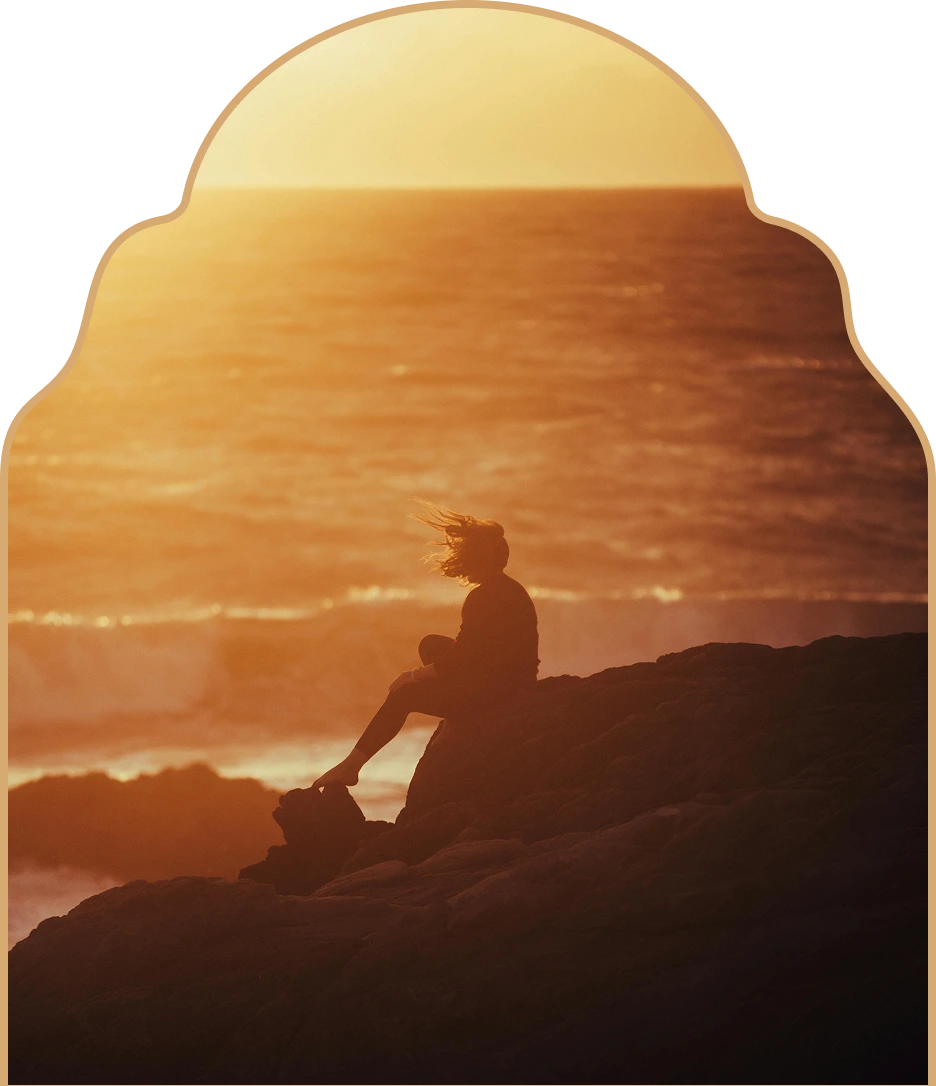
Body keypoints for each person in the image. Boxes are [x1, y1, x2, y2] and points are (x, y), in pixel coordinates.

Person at [311, 504, 539, 790]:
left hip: (498, 693)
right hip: (514, 682)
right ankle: (457, 716)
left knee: (403, 696)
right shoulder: (511, 589)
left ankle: (350, 767)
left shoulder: (483, 598)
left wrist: (413, 675)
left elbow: (463, 660)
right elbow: (479, 653)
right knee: (431, 644)